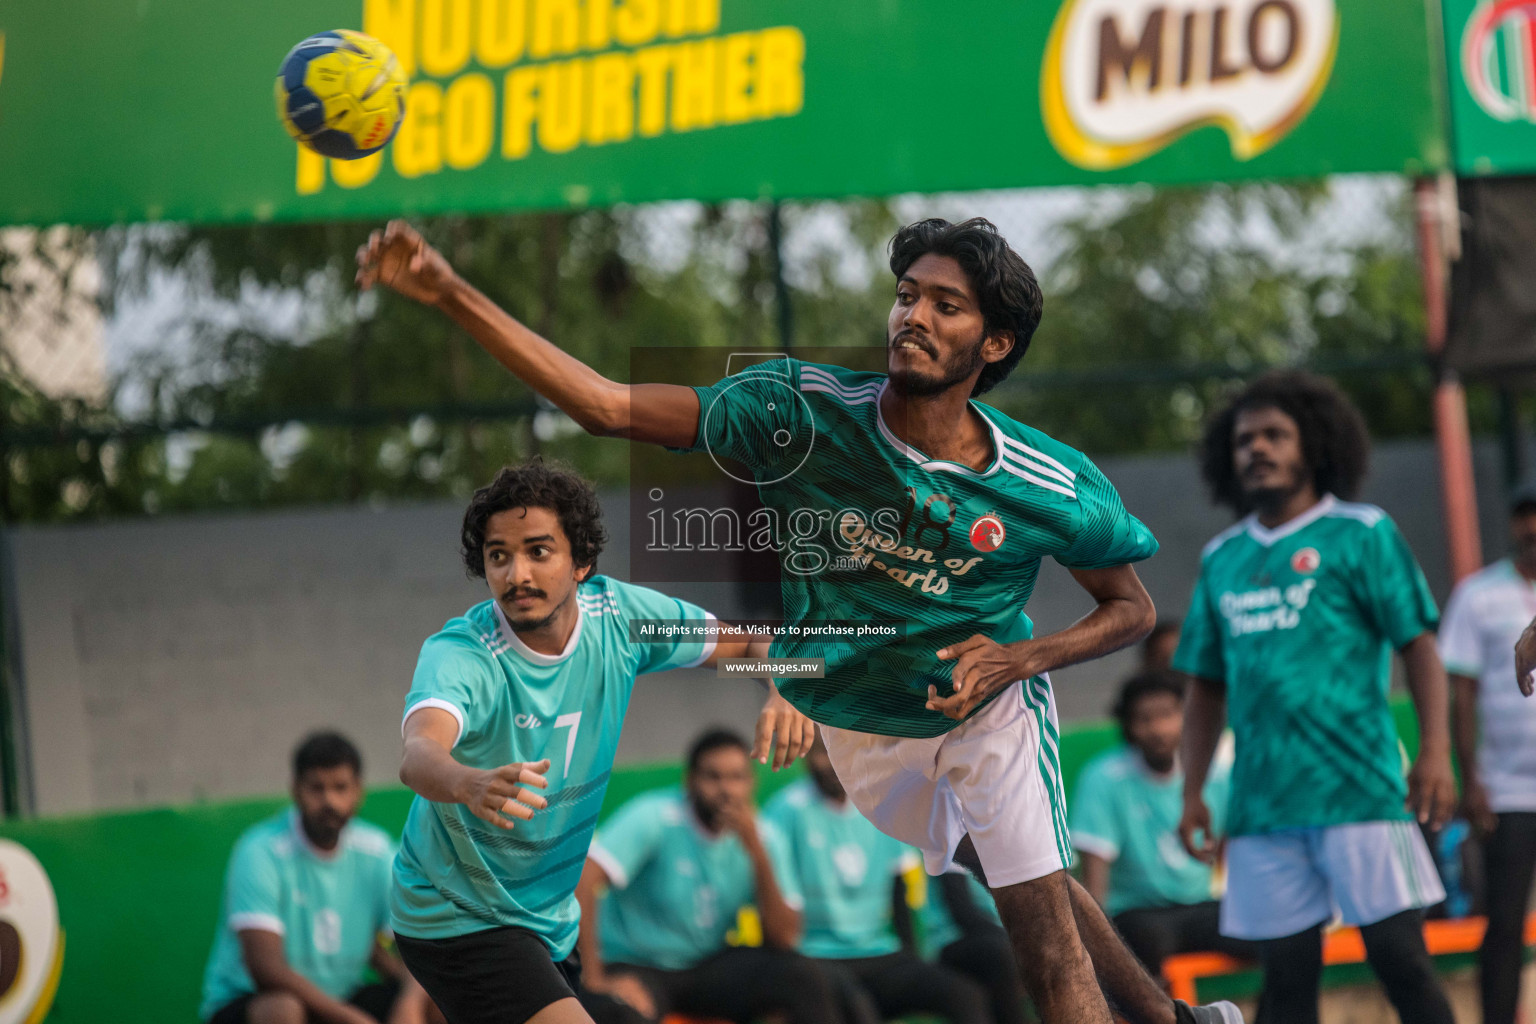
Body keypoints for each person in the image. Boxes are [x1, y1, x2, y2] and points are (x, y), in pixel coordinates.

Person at [357, 216, 1243, 1024]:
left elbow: (1131, 609)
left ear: (995, 342)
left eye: (945, 305)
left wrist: (1022, 660)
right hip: (863, 722)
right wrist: (449, 292)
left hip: (984, 706)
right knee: (1021, 871)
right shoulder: (799, 411)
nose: (913, 317)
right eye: (906, 296)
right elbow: (605, 405)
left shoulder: (1048, 483)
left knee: (1044, 942)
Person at [387, 462, 814, 1024]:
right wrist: (469, 783)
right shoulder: (464, 653)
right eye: (498, 556)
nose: (517, 574)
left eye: (539, 551)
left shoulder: (622, 619)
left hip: (546, 919)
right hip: (457, 914)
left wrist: (785, 690)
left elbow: (747, 646)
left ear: (581, 561)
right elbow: (418, 754)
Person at [1173, 370, 1457, 1024]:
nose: (1258, 449)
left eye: (1276, 435)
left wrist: (1436, 752)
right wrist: (1192, 792)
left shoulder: (1362, 533)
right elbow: (1205, 686)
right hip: (1262, 806)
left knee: (1401, 963)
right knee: (1286, 986)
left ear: (1315, 444)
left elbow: (1418, 644)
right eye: (1245, 439)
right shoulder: (1222, 558)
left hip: (1359, 791)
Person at [576, 729, 840, 1024]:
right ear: (690, 781)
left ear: (752, 783)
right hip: (640, 964)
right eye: (713, 777)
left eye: (737, 777)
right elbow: (584, 879)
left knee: (802, 976)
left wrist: (757, 853)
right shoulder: (654, 816)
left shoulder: (764, 837)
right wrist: (593, 976)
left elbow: (784, 939)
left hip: (707, 965)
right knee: (620, 1011)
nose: (726, 789)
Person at [200, 732, 439, 1024]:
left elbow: (425, 944)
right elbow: (266, 969)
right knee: (282, 1010)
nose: (329, 800)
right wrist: (351, 1019)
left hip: (342, 997)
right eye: (317, 788)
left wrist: (410, 1003)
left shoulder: (375, 852)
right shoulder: (261, 852)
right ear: (296, 790)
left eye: (340, 787)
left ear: (358, 792)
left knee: (437, 999)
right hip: (254, 1002)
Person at [763, 731, 993, 1024]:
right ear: (805, 755)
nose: (831, 761)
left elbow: (901, 896)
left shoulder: (881, 802)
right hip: (816, 958)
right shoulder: (784, 812)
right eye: (822, 751)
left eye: (839, 748)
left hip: (880, 953)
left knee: (965, 996)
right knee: (860, 1009)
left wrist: (912, 959)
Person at [1072, 670, 1252, 977]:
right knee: (1145, 942)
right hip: (1136, 912)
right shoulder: (1103, 779)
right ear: (1127, 725)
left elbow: (1233, 854)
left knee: (1274, 938)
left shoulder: (1215, 775)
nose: (1158, 729)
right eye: (1144, 719)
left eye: (1168, 715)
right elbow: (1095, 880)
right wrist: (1094, 942)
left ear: (1189, 717)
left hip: (1200, 906)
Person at [1439, 483, 1536, 1024]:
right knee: (1503, 923)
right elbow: (1462, 692)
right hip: (1508, 789)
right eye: (1524, 516)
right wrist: (1469, 778)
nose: (1533, 527)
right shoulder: (1478, 595)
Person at [919, 868, 1027, 1024]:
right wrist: (1016, 939)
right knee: (1000, 954)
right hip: (952, 939)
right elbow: (962, 912)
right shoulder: (957, 846)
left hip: (994, 935)